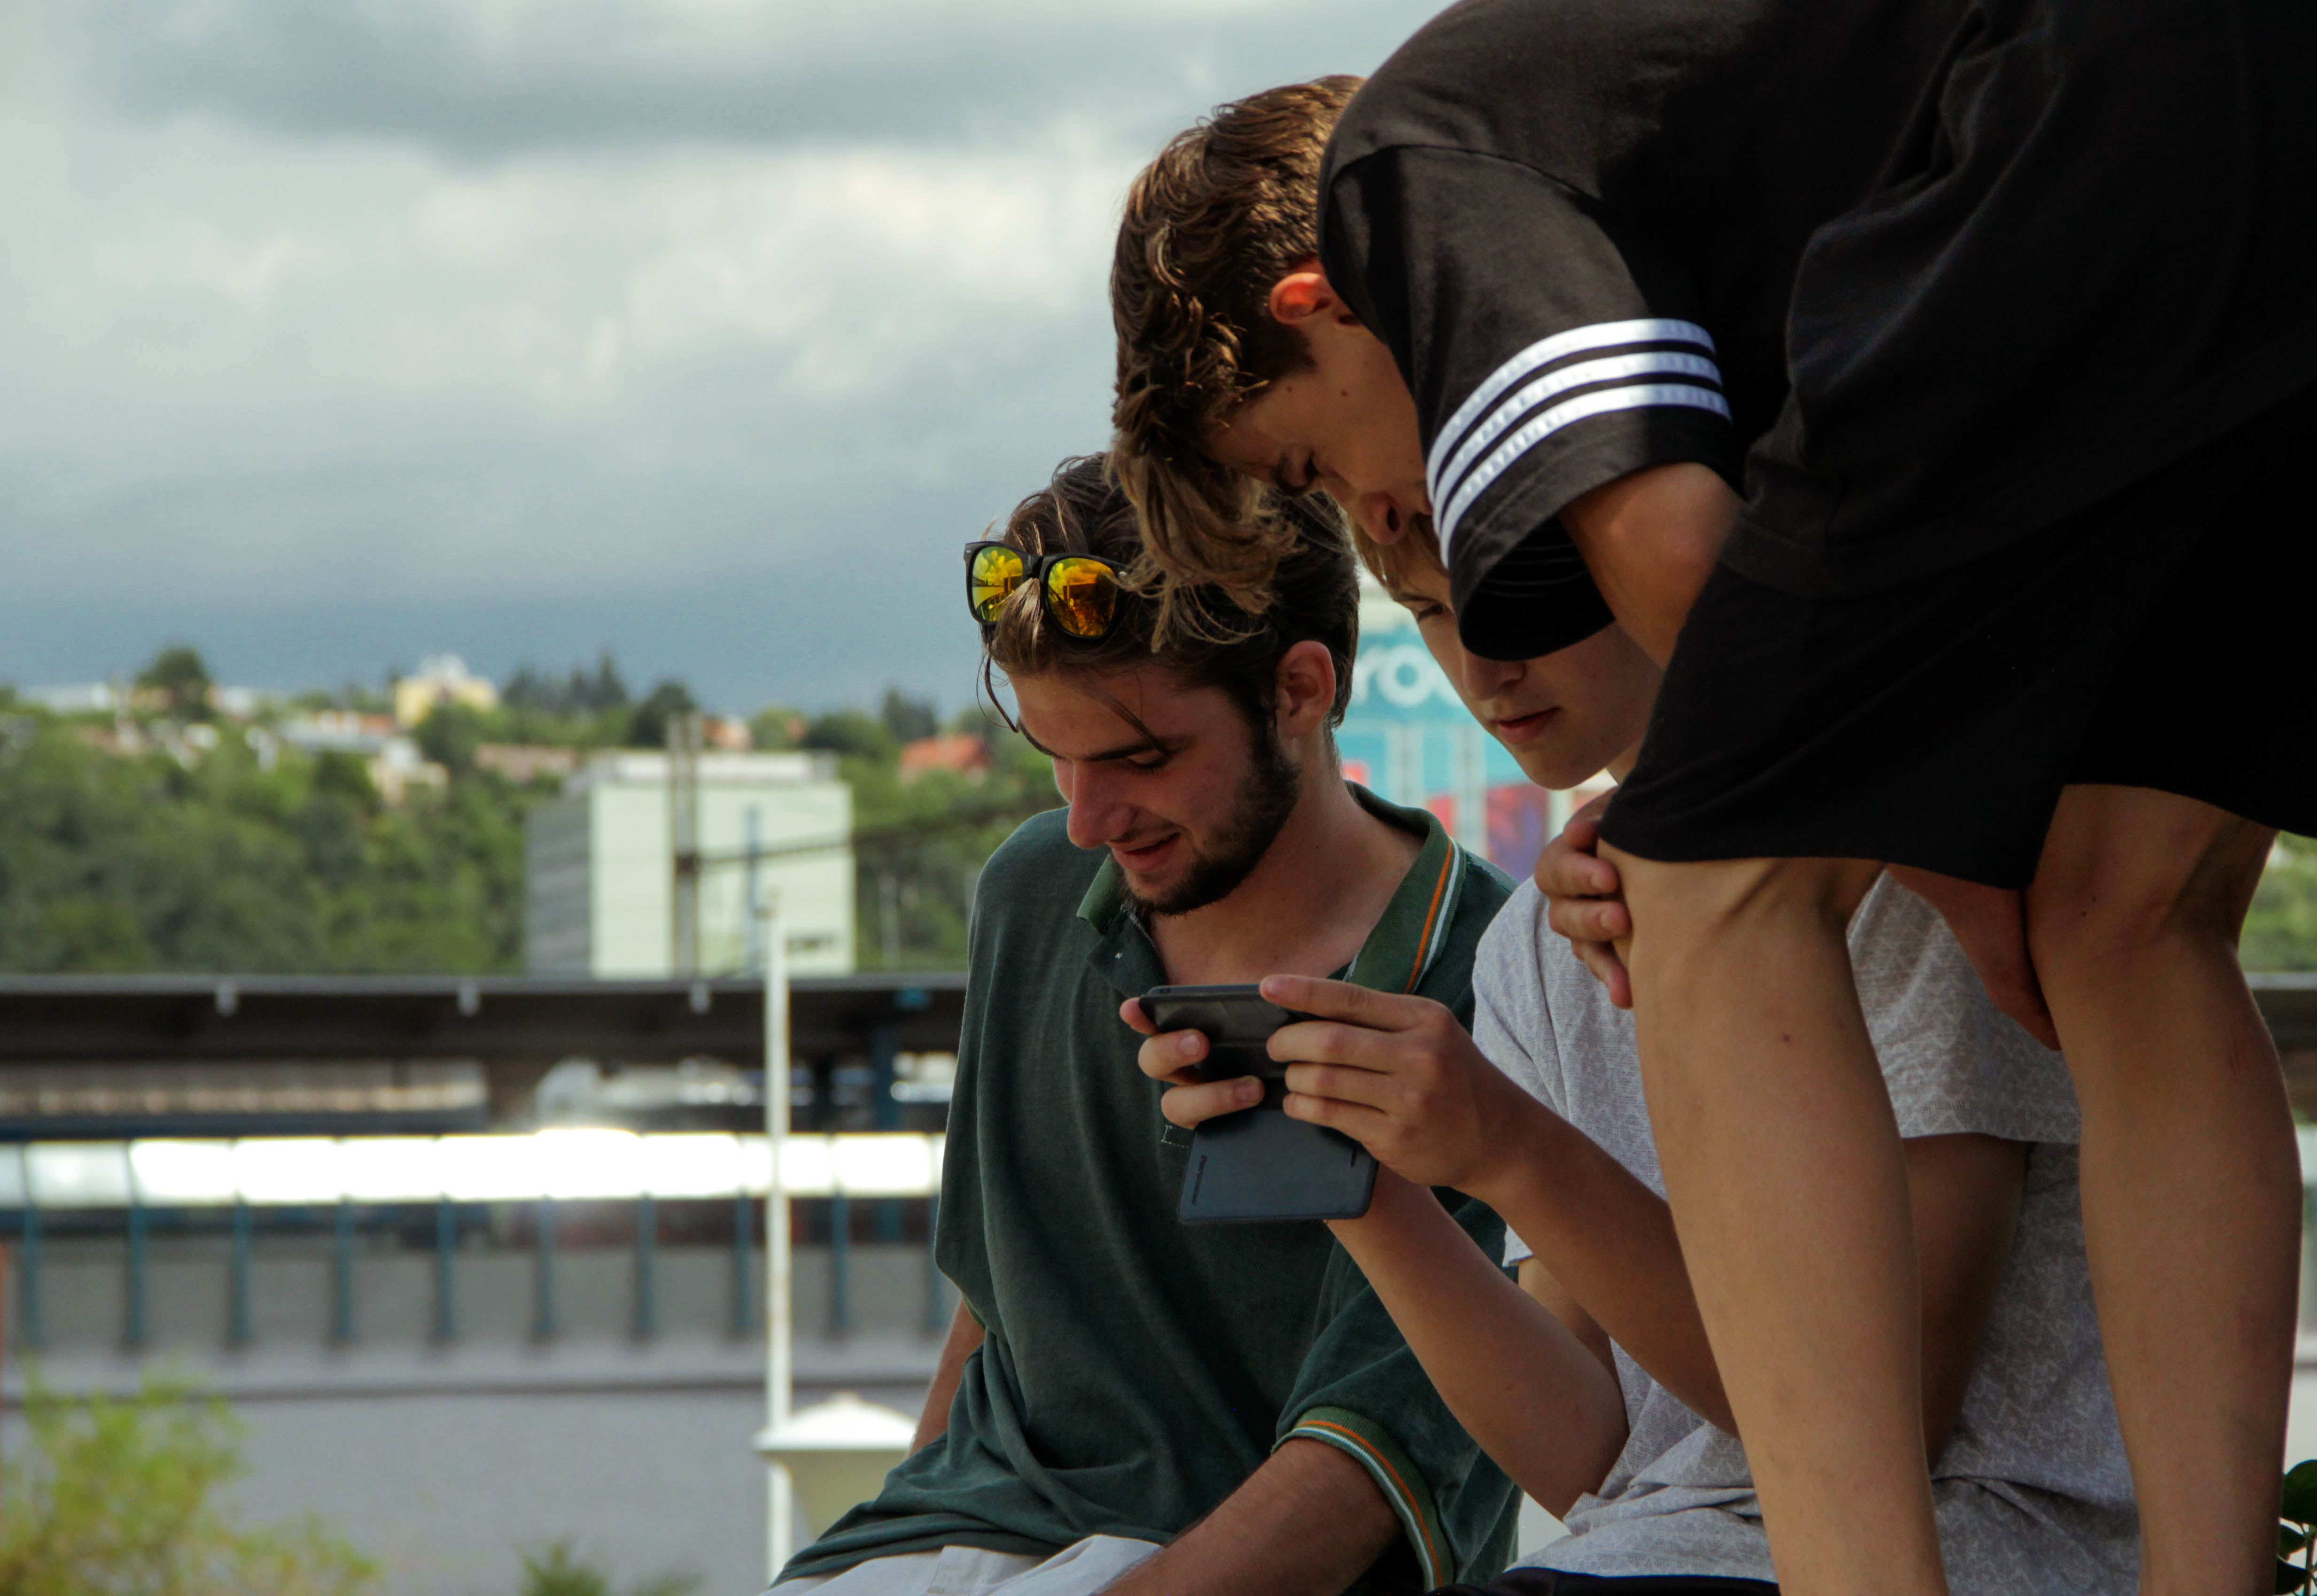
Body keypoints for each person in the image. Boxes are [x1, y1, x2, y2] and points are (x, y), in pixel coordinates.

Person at [1109, 35, 2317, 1592]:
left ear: (1319, 304)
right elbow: (1607, 1450)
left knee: (1724, 889)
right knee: (2132, 921)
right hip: (2232, 160)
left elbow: (1681, 560)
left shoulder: (1420, 181)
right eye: (1412, 591)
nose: (1379, 512)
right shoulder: (1710, 254)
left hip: (2092, 113)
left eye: (1316, 466)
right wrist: (1392, 1169)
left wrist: (1898, 850)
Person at [1138, 520, 2136, 1594]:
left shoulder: (1901, 877)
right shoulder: (1530, 946)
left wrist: (1512, 1146)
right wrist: (1358, 1171)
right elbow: (1598, 1456)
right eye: (1431, 611)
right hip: (1660, 1548)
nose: (1483, 665)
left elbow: (1896, 1414)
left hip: (1982, 1547)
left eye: (1521, 595)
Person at [767, 455, 1518, 1596]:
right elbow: (995, 1315)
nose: (1086, 821)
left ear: (1301, 690)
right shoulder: (1028, 895)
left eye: (1138, 759)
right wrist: (884, 1545)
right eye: (1056, 759)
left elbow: (1374, 1468)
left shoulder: (1490, 977)